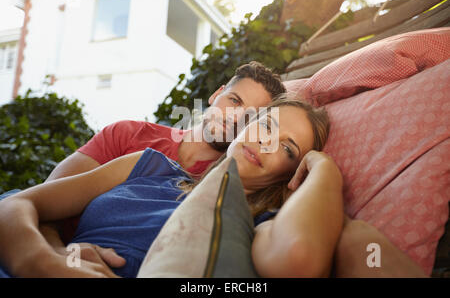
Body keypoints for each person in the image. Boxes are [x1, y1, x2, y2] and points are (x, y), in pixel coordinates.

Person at [0, 96, 343, 278]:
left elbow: (299, 258)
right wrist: (45, 260)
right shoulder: (148, 164)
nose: (267, 143)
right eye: (267, 125)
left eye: (288, 149)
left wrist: (324, 168)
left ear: (291, 173)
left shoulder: (257, 225)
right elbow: (17, 204)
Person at [0, 61, 288, 262]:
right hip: (41, 244)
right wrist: (65, 257)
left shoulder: (229, 184)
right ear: (216, 94)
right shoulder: (128, 134)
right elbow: (43, 201)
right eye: (234, 100)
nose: (235, 117)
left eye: (252, 116)